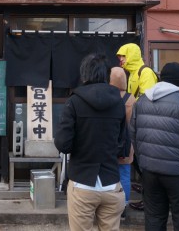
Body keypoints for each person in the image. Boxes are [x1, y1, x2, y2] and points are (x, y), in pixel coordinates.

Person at [129, 62, 179, 230]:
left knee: (154, 219)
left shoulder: (142, 101)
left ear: (161, 78)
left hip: (150, 173)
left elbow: (134, 136)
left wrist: (144, 165)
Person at [55, 53, 126, 231]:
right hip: (111, 182)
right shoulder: (118, 102)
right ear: (106, 74)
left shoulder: (74, 102)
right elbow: (123, 144)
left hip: (82, 182)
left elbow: (63, 144)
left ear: (84, 74)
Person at [116, 43, 159, 211]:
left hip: (144, 125)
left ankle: (149, 201)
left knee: (144, 165)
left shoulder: (145, 72)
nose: (121, 59)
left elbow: (147, 99)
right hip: (136, 125)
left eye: (123, 56)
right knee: (140, 165)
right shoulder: (132, 73)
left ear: (132, 55)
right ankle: (147, 197)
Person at [110, 67, 136, 220]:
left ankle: (109, 207)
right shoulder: (131, 99)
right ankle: (124, 206)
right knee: (124, 174)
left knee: (108, 175)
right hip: (127, 144)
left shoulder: (107, 96)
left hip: (108, 142)